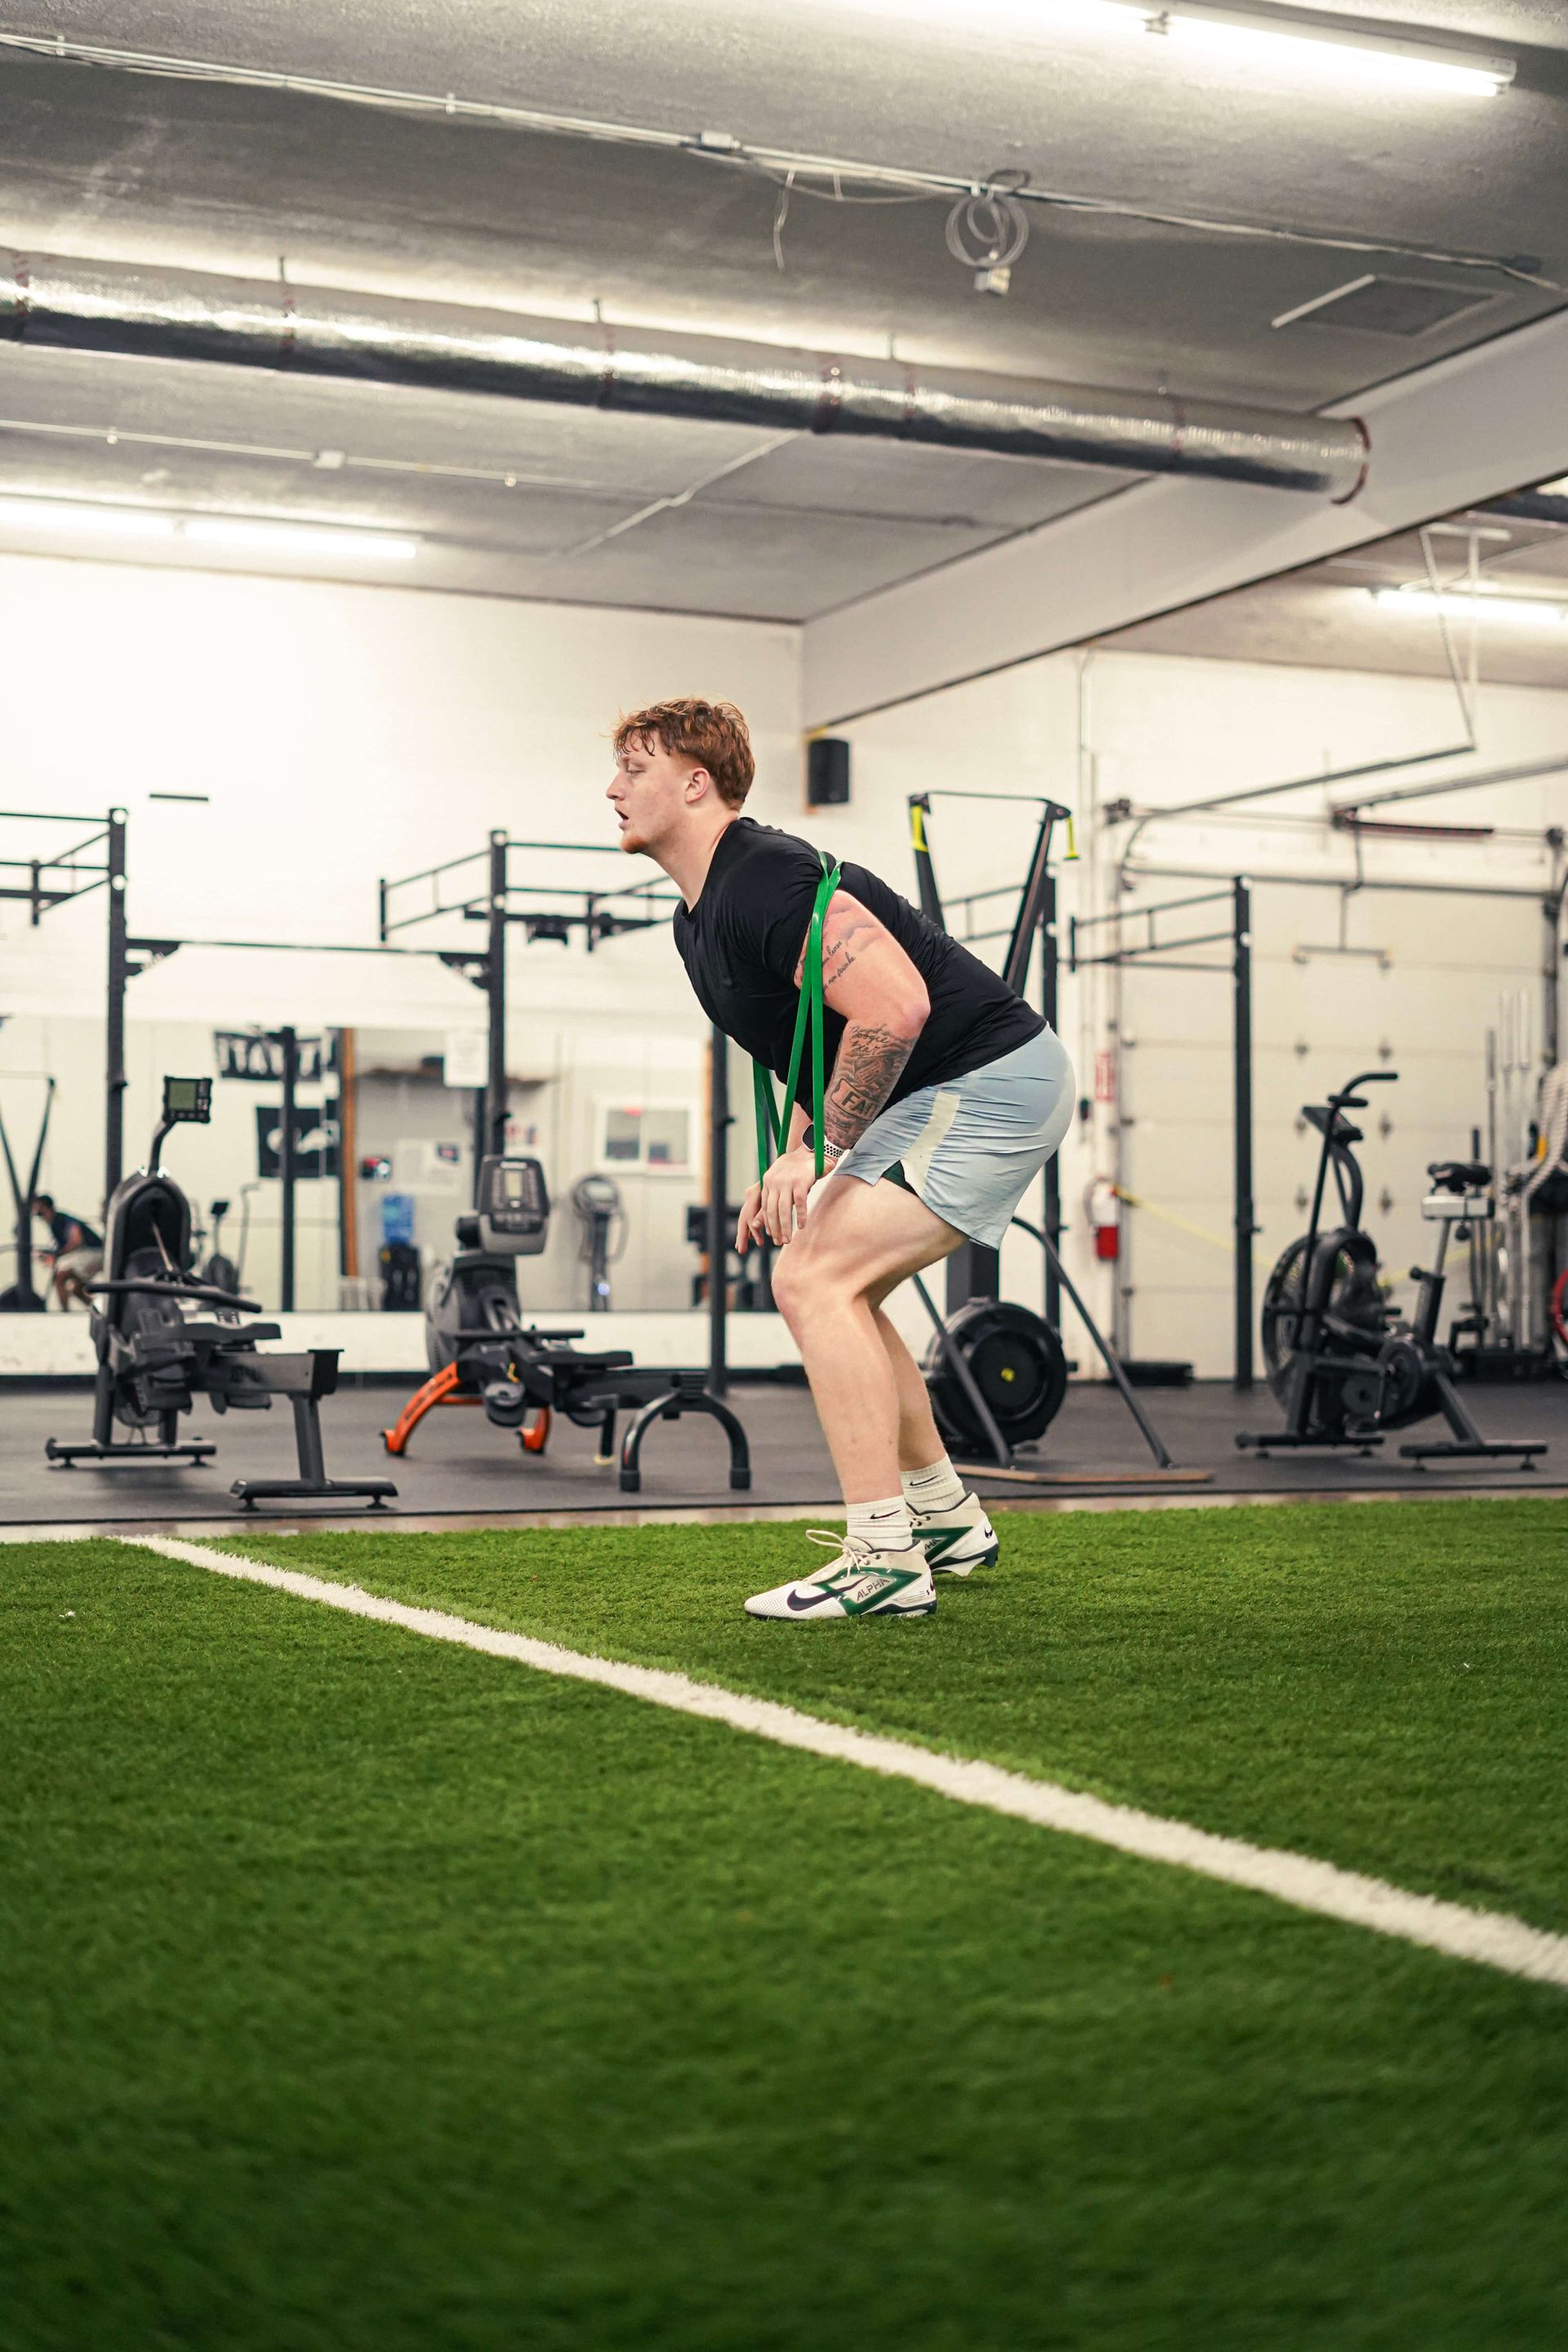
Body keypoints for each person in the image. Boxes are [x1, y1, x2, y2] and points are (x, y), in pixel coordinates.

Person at [608, 697, 1074, 1623]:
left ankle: (884, 1559)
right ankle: (943, 1519)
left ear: (696, 783)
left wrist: (818, 1150)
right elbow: (813, 1044)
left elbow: (893, 1008)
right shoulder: (698, 917)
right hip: (935, 1093)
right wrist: (791, 1156)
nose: (613, 789)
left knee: (812, 1280)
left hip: (987, 1082)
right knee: (834, 1281)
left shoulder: (764, 879)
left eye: (635, 769)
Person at [31, 1193, 104, 1310]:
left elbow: (76, 1241)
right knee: (76, 1289)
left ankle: (64, 1312)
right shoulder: (54, 1224)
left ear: (44, 1206)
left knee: (60, 1276)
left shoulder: (63, 1219)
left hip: (94, 1252)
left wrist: (57, 1256)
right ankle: (97, 1310)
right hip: (86, 1254)